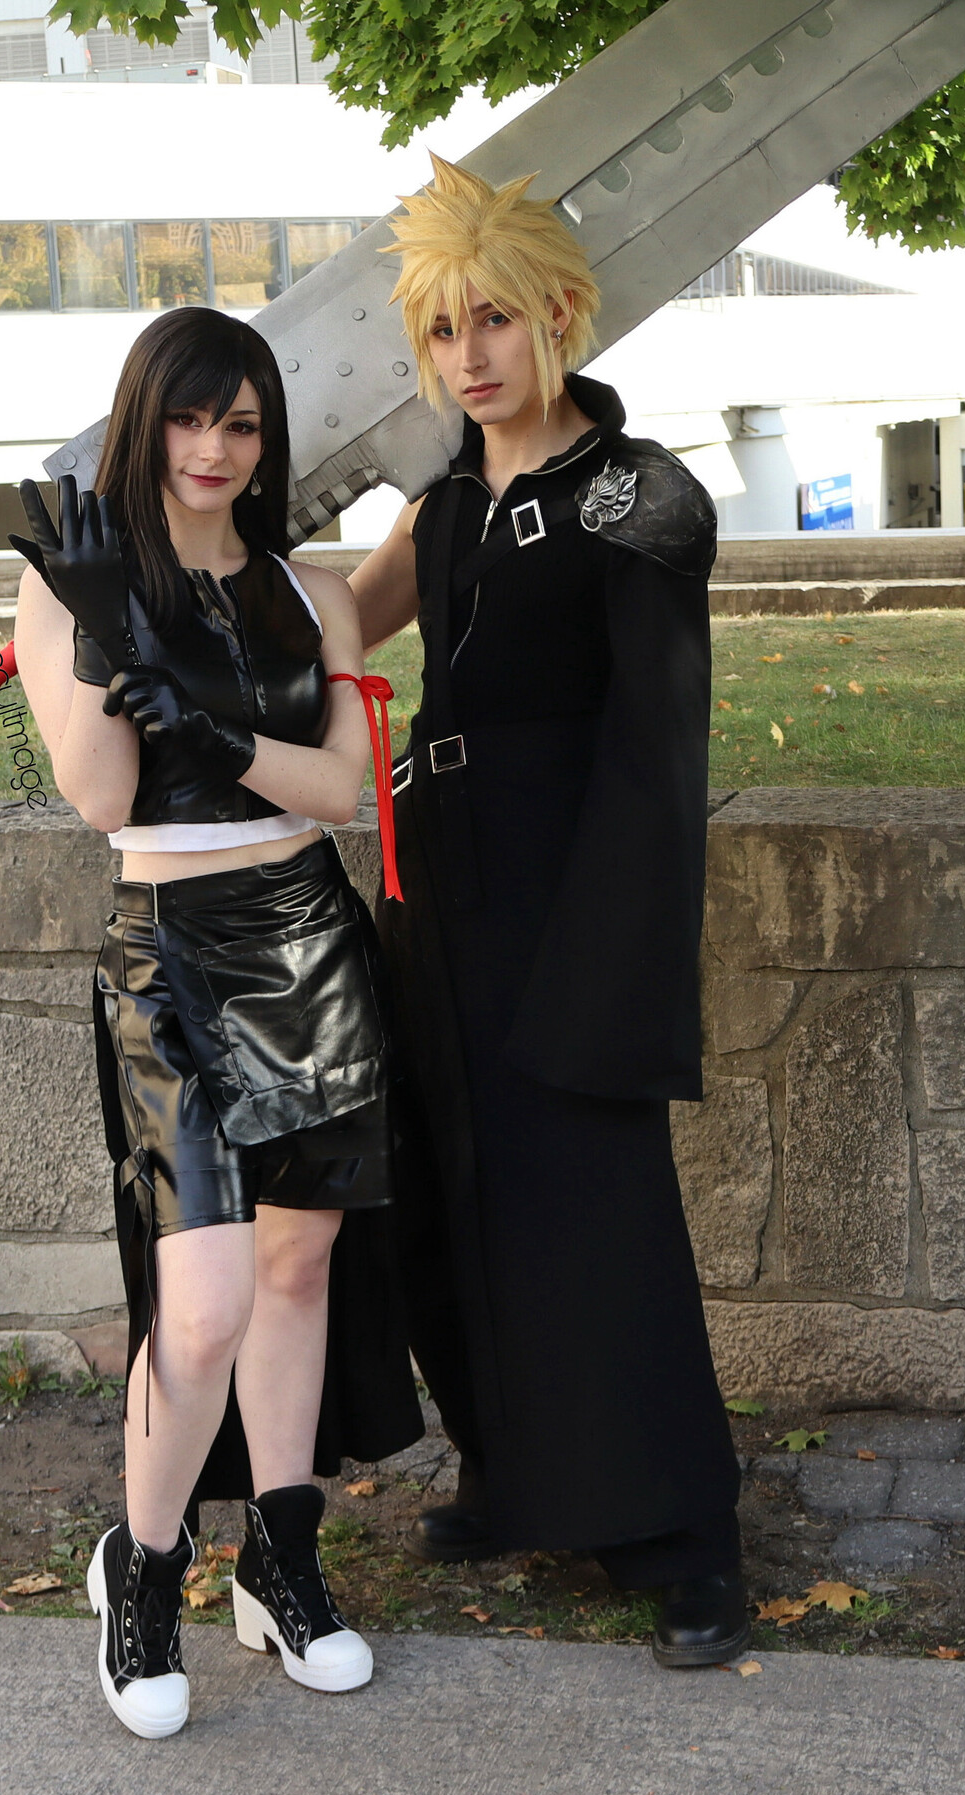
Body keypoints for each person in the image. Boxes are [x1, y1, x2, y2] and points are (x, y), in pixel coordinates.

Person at [347, 156, 749, 1667]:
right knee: (451, 1193)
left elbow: (659, 749)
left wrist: (616, 964)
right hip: (440, 892)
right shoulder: (448, 496)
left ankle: (687, 1539)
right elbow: (340, 625)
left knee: (596, 1213)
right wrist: (164, 580)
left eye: (497, 319)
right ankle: (510, 1475)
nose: (472, 355)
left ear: (563, 313)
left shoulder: (641, 499)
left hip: (571, 897)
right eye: (445, 330)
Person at [15, 306, 422, 1739]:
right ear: (146, 423)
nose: (213, 448)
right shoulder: (75, 589)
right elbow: (104, 798)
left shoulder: (315, 594)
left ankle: (282, 1561)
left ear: (268, 439)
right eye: (188, 419)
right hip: (169, 955)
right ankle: (141, 1570)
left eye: (241, 424)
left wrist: (218, 729)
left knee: (299, 1270)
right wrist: (104, 635)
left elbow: (347, 787)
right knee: (201, 1309)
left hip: (310, 936)